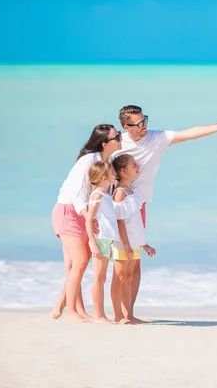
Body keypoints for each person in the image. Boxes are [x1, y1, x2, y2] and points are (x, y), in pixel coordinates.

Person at [109, 105, 217, 317]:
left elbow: (188, 133)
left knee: (135, 263)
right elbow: (96, 166)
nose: (145, 125)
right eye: (139, 123)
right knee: (120, 265)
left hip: (139, 206)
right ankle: (115, 315)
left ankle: (129, 314)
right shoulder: (118, 144)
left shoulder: (156, 138)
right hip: (118, 206)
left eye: (145, 120)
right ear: (127, 126)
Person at [51, 124, 122, 321]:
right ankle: (71, 311)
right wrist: (87, 217)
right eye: (117, 137)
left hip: (82, 214)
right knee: (80, 261)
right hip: (69, 212)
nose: (121, 139)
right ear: (104, 143)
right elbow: (77, 196)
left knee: (76, 264)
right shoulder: (89, 161)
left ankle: (71, 309)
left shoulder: (105, 161)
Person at [110, 154, 156, 324]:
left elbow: (135, 222)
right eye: (133, 166)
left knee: (128, 277)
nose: (137, 167)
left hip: (135, 242)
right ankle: (118, 316)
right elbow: (120, 221)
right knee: (120, 277)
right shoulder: (120, 193)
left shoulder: (133, 192)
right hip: (124, 243)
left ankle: (128, 314)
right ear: (123, 171)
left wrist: (144, 244)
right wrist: (127, 245)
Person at [85, 161, 119, 324]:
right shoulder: (97, 195)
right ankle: (98, 315)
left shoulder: (104, 195)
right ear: (104, 177)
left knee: (102, 277)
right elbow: (89, 219)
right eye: (113, 173)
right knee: (98, 278)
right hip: (100, 240)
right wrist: (92, 242)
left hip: (106, 239)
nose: (115, 175)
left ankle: (101, 314)